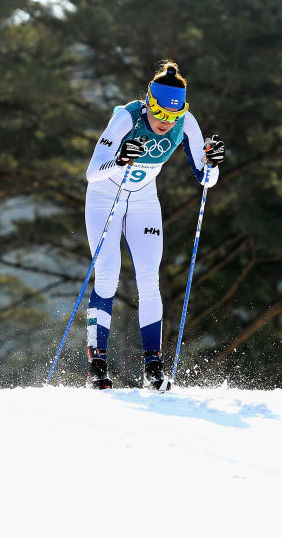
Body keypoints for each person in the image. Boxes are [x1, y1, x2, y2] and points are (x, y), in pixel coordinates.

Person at [83, 60, 225, 390]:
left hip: (144, 198)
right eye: (160, 114)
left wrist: (212, 163)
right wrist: (118, 159)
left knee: (149, 277)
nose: (165, 123)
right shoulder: (127, 117)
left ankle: (153, 367)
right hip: (106, 195)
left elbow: (206, 179)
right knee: (107, 274)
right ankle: (97, 366)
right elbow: (92, 172)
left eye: (172, 117)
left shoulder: (186, 123)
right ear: (149, 102)